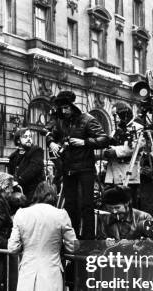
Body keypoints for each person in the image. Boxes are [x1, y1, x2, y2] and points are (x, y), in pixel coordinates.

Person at [46, 90, 109, 239]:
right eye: (62, 108)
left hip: (85, 169)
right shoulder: (61, 121)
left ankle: (88, 239)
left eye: (66, 107)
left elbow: (104, 139)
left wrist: (85, 142)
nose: (64, 111)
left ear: (72, 106)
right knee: (70, 206)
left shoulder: (87, 119)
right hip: (68, 169)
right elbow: (50, 133)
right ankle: (72, 238)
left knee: (87, 205)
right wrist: (51, 143)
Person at [8, 128, 45, 201]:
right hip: (18, 189)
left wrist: (18, 181)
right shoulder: (13, 156)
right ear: (18, 140)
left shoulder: (36, 151)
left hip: (34, 191)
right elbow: (11, 173)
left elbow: (33, 168)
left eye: (30, 136)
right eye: (25, 137)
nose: (29, 139)